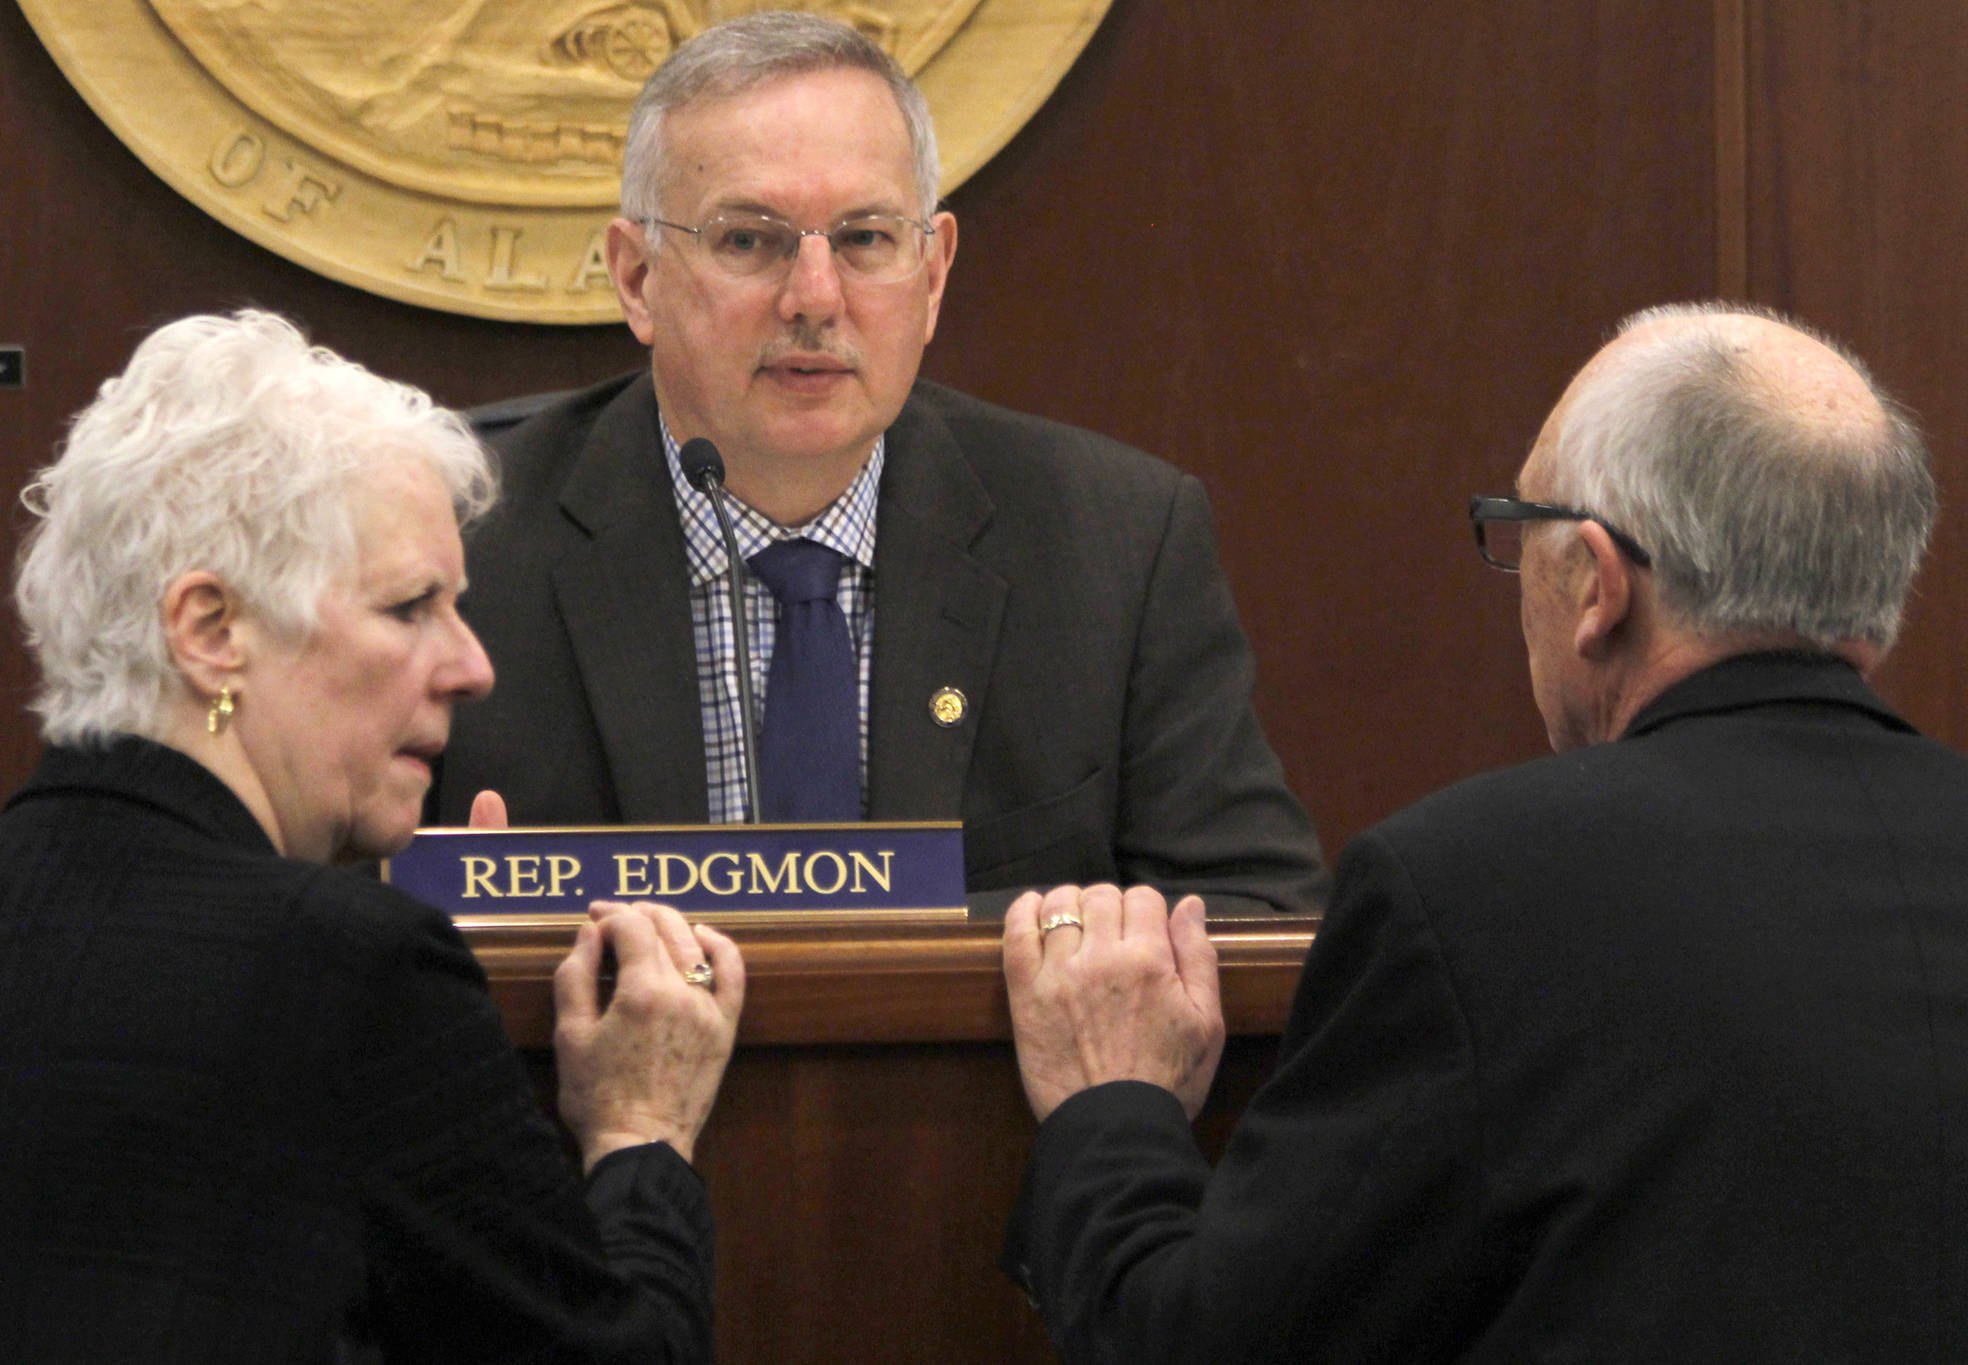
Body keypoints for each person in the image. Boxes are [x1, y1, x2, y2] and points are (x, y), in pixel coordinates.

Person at [999, 303, 1966, 1361]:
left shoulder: (1476, 894)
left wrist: (1112, 1111)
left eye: (1522, 534)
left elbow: (1202, 1346)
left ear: (1595, 586)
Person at [0, 310, 745, 1363]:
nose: (471, 665)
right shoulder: (351, 970)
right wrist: (641, 1134)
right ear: (212, 630)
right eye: (410, 608)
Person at [429, 11, 1328, 916]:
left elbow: (1262, 908)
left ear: (931, 276)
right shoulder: (456, 543)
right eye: (749, 240)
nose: (814, 300)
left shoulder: (1116, 544)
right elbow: (321, 913)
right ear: (637, 277)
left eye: (864, 240)